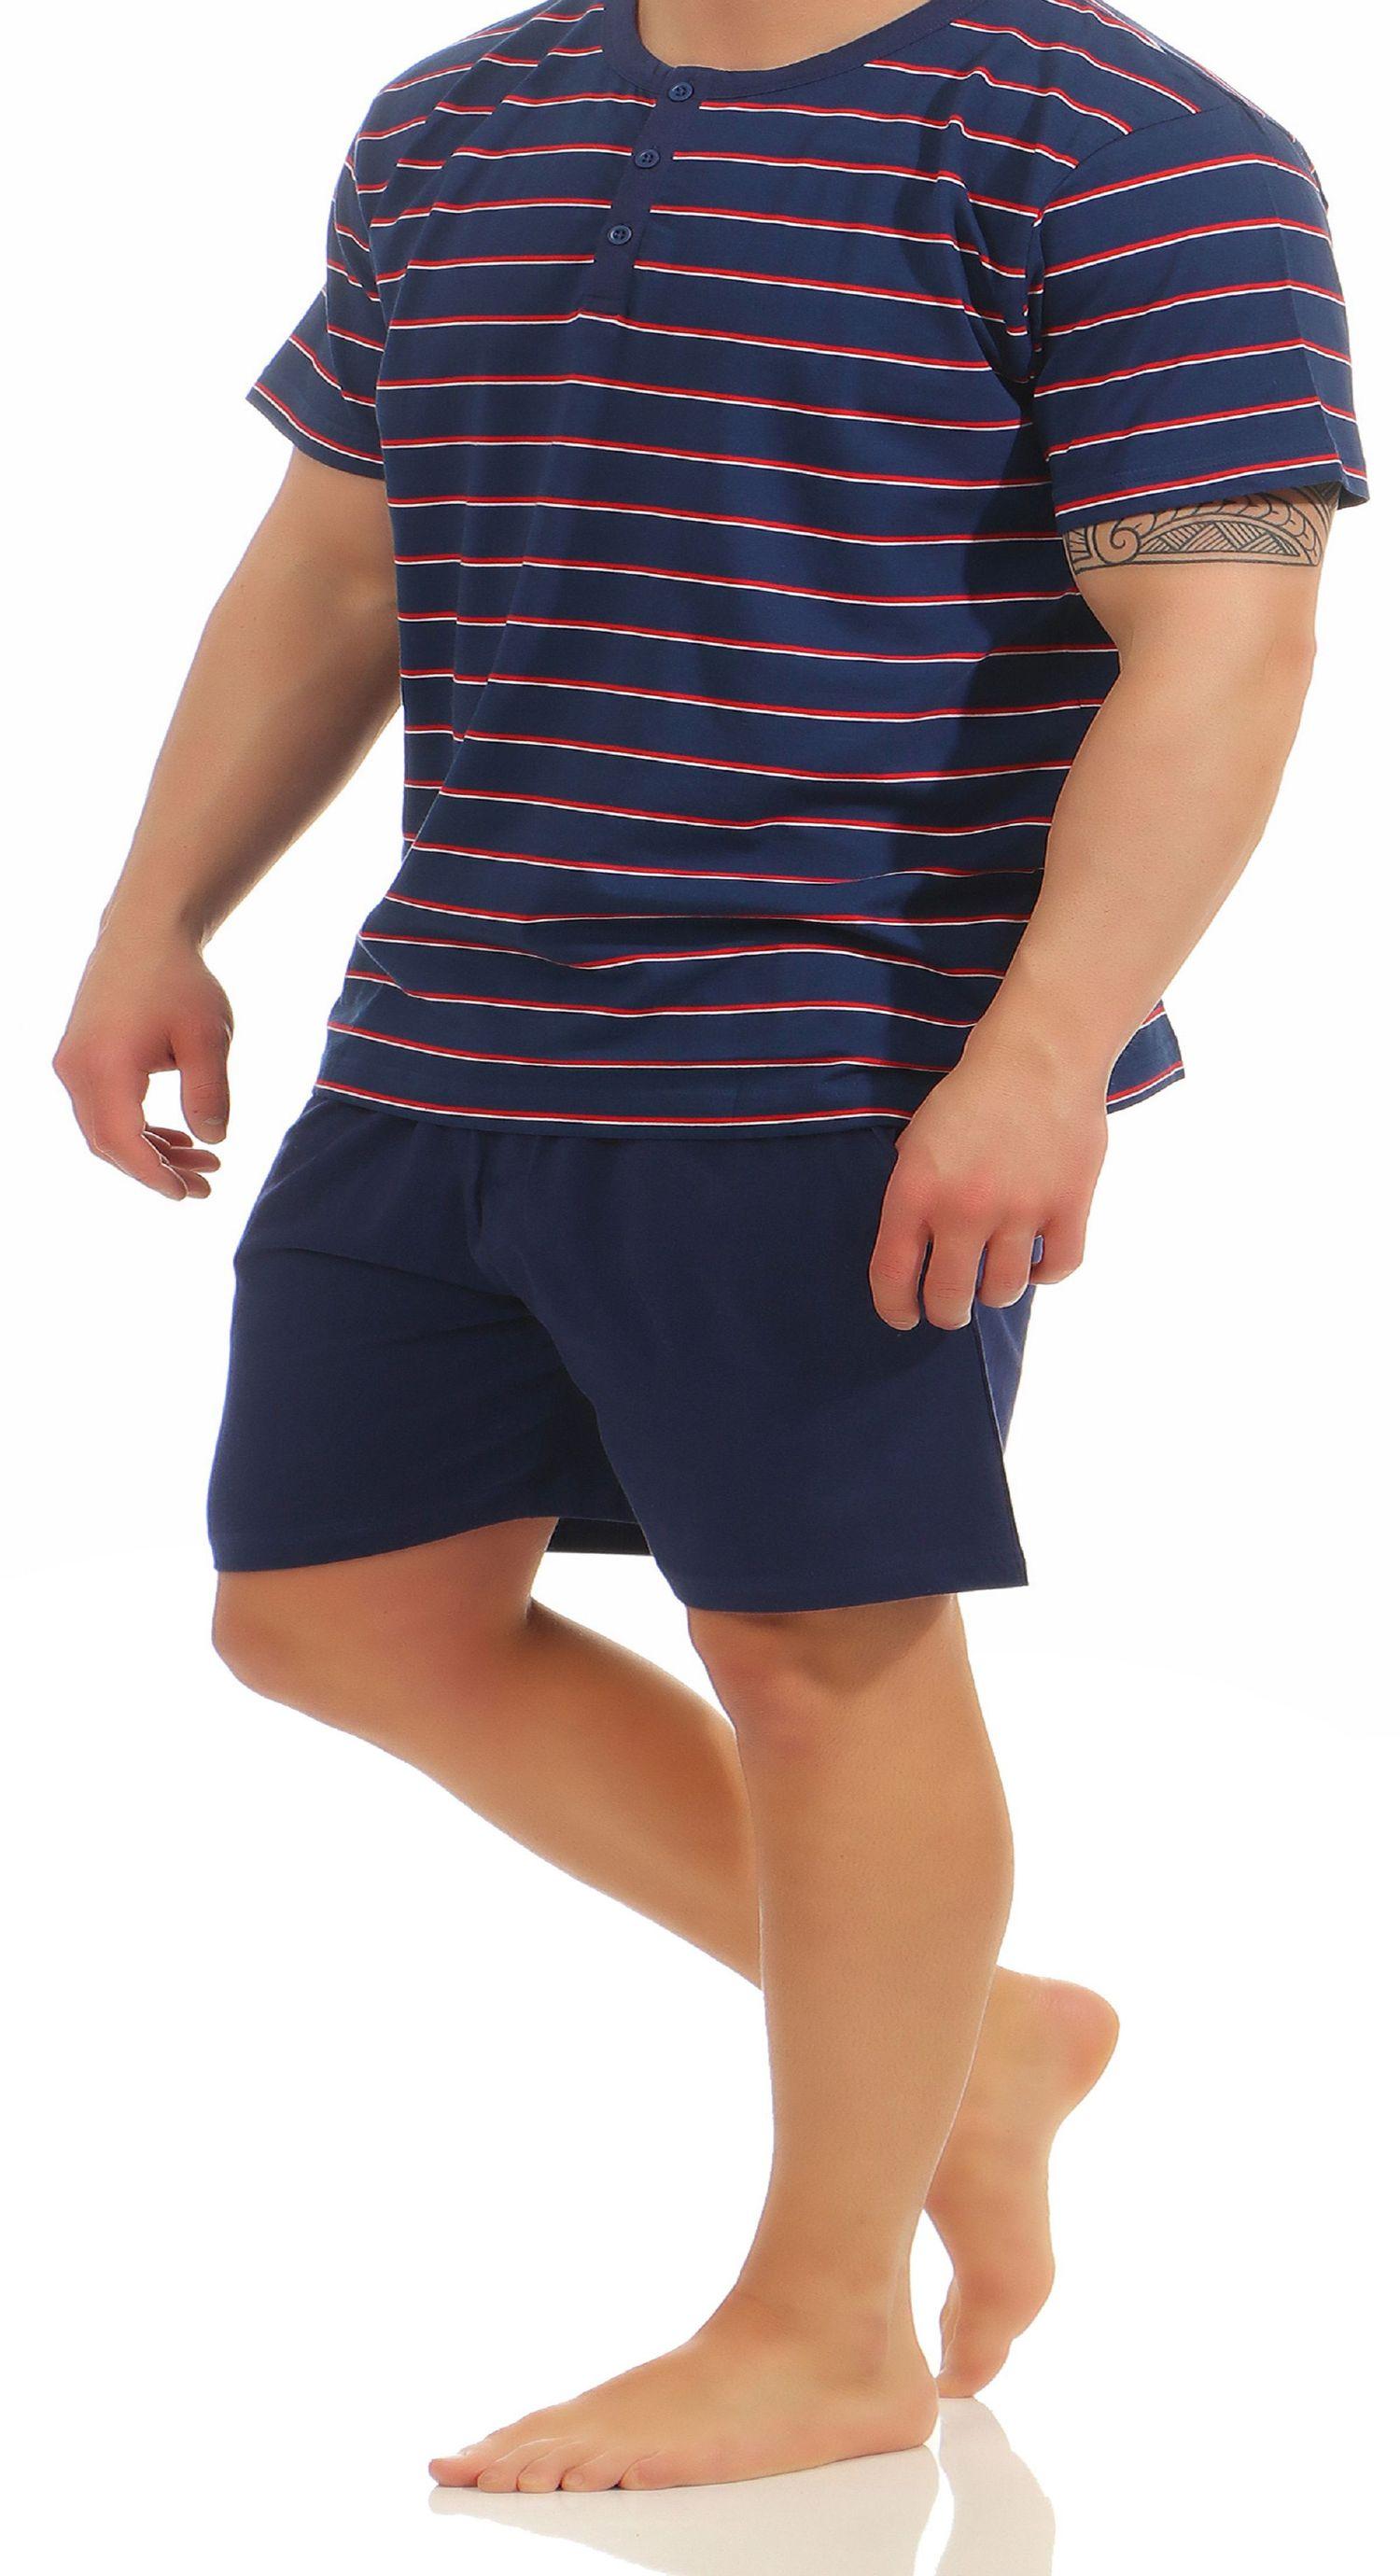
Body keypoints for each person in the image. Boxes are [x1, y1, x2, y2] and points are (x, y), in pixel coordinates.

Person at [54, 0, 1365, 2497]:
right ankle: (979, 2040)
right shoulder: (457, 118)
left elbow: (1229, 643)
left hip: (834, 1047)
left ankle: (824, 2325)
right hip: (452, 1020)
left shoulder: (1122, 142)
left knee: (815, 1653)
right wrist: (155, 914)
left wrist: (1043, 1050)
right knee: (329, 1611)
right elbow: (335, 558)